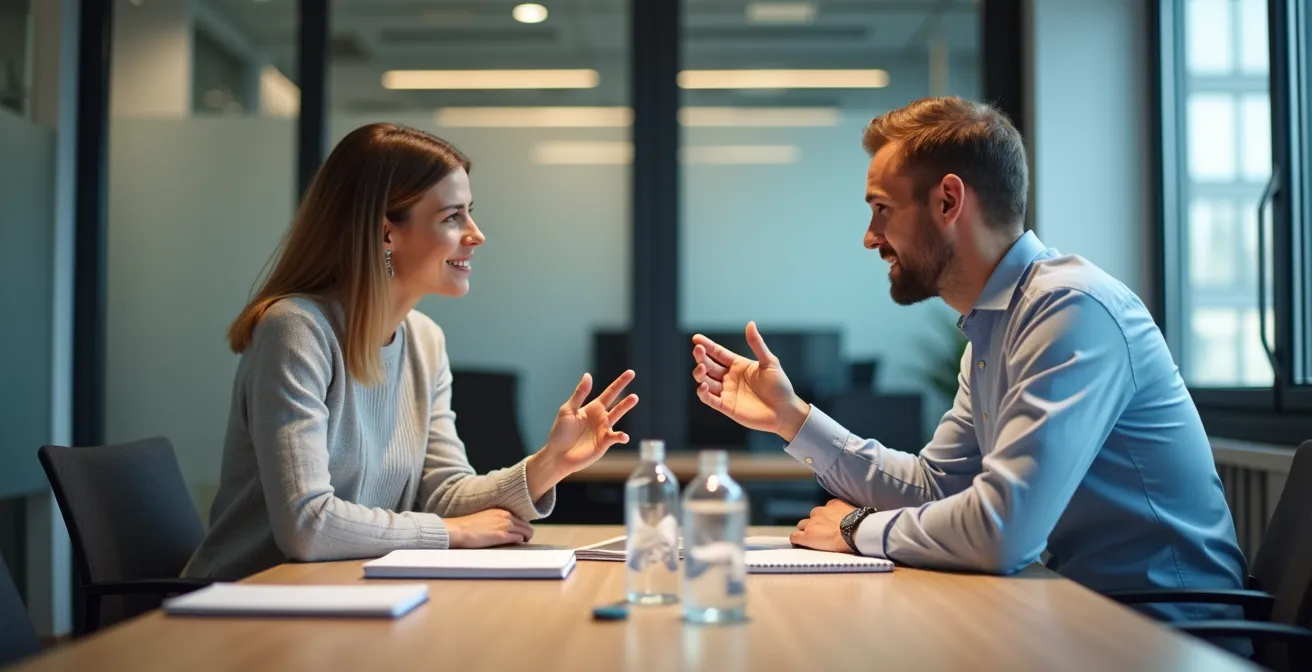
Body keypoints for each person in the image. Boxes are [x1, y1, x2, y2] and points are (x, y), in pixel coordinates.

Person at [688, 97, 1246, 624]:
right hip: (1075, 616)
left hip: (1166, 635)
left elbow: (1004, 530)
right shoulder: (995, 325)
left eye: (882, 209)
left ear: (949, 201)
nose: (869, 237)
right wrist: (792, 418)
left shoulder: (1070, 309)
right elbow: (938, 489)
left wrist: (858, 529)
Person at [184, 123, 638, 580]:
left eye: (470, 213)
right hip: (249, 602)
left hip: (345, 594)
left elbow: (445, 493)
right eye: (451, 217)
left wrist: (549, 464)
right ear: (386, 234)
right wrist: (449, 533)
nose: (476, 234)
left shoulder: (423, 339)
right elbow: (307, 525)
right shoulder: (296, 330)